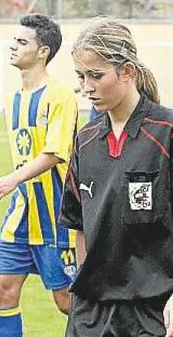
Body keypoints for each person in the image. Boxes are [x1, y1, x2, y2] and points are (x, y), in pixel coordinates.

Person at [60, 17, 173, 337]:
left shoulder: (166, 133)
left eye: (96, 75)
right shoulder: (85, 140)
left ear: (127, 71)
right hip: (90, 314)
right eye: (81, 76)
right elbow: (78, 222)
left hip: (153, 311)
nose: (87, 87)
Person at [0, 14, 78, 337]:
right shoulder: (13, 100)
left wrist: (13, 179)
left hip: (56, 216)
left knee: (67, 301)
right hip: (21, 215)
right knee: (3, 289)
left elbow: (56, 152)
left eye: (22, 42)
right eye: (15, 39)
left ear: (43, 52)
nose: (13, 45)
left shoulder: (60, 95)